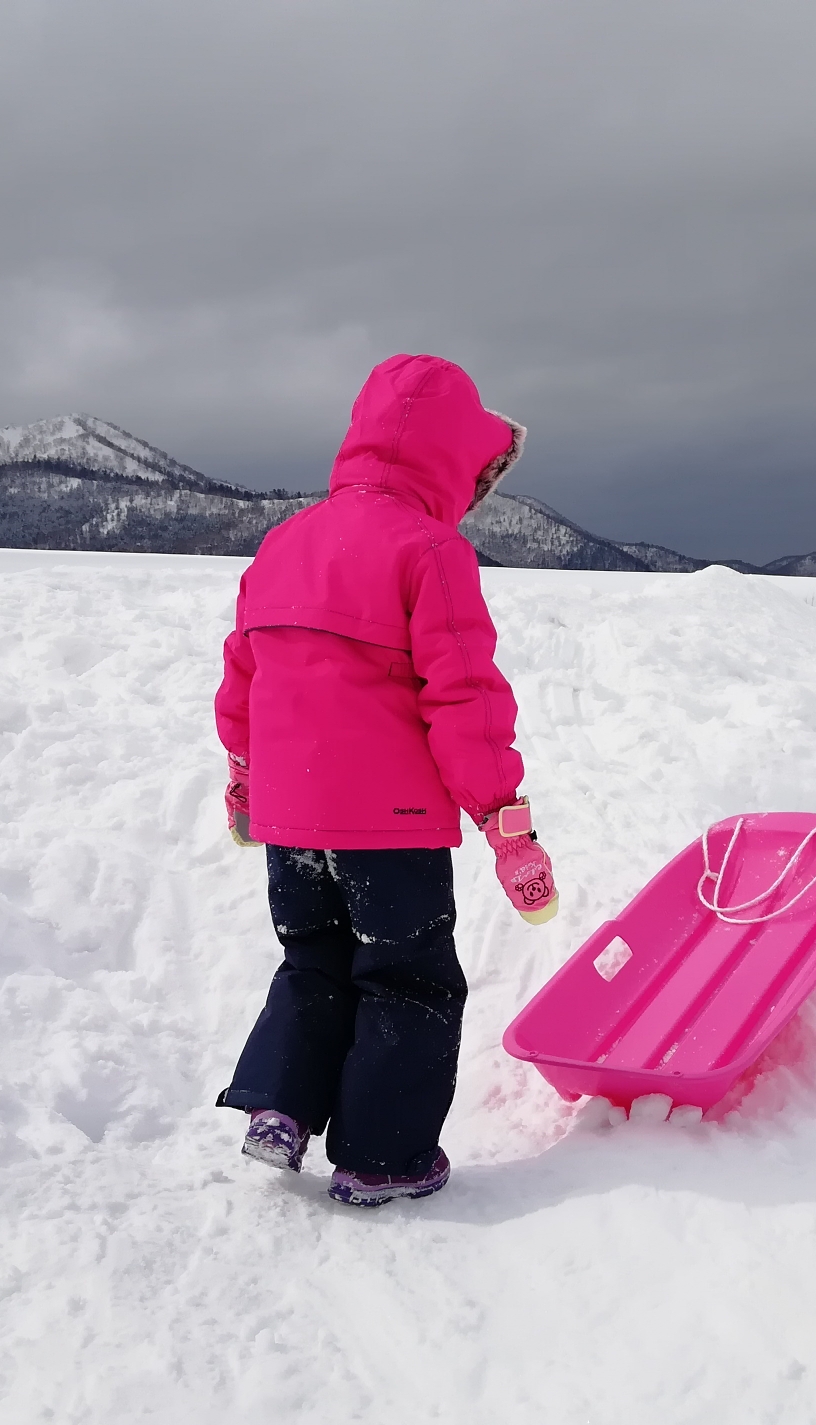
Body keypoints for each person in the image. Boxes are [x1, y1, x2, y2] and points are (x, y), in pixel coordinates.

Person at [212, 354, 558, 1207]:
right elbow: (465, 698)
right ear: (451, 460)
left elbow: (243, 677)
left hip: (293, 816)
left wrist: (246, 785)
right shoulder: (431, 550)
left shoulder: (286, 541)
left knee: (312, 961)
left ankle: (281, 1111)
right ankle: (384, 1159)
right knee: (408, 979)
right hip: (391, 824)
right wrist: (502, 818)